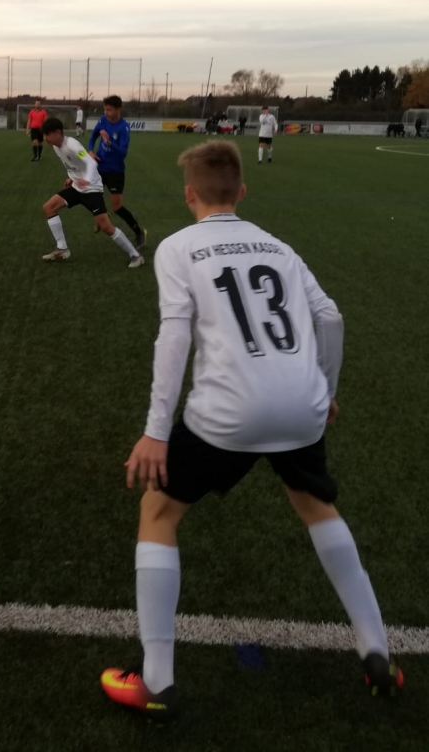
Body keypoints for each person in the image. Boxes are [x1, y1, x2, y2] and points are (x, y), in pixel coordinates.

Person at [100, 141, 403, 723]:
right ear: (241, 192)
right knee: (316, 505)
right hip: (301, 404)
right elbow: (330, 316)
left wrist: (156, 431)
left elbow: (174, 335)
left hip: (229, 411)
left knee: (159, 511)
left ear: (188, 194)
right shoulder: (278, 246)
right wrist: (325, 390)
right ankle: (378, 654)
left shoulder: (178, 247)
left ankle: (157, 682)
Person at [40, 118, 143, 268]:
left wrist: (86, 180)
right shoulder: (57, 147)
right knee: (48, 208)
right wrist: (72, 179)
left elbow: (91, 162)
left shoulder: (72, 145)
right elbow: (74, 165)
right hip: (76, 187)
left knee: (106, 227)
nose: (45, 138)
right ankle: (62, 248)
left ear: (57, 132)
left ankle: (136, 256)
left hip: (92, 190)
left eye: (47, 135)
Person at [87, 95, 147, 249]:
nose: (106, 112)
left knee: (117, 207)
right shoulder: (102, 121)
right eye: (105, 109)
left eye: (109, 110)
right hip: (99, 167)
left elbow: (123, 153)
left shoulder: (123, 128)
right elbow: (92, 138)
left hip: (115, 171)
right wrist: (90, 151)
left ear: (118, 109)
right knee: (90, 195)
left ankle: (139, 232)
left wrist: (109, 143)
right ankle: (102, 218)